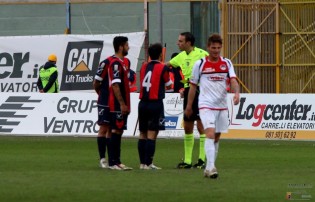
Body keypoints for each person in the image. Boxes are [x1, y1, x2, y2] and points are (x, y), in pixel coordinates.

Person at [185, 34, 240, 178]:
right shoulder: (200, 64)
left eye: (218, 48)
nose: (216, 50)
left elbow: (233, 80)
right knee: (209, 133)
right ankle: (211, 167)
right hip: (206, 105)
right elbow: (192, 86)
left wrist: (237, 93)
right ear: (208, 48)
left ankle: (208, 169)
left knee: (216, 137)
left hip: (221, 106)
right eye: (213, 48)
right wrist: (189, 106)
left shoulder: (227, 63)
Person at [166, 32, 208, 169]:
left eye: (180, 41)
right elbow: (167, 65)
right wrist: (153, 66)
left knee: (202, 127)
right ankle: (188, 161)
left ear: (188, 42)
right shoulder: (181, 56)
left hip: (201, 92)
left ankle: (201, 160)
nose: (178, 43)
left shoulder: (202, 54)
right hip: (188, 91)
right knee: (188, 126)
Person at [93, 36, 132, 171]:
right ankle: (103, 159)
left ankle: (112, 161)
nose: (129, 47)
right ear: (121, 46)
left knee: (112, 129)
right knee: (104, 129)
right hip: (106, 101)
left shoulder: (124, 63)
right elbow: (96, 82)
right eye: (127, 45)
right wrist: (103, 95)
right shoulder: (107, 62)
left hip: (115, 102)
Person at [138, 43, 173, 170]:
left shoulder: (143, 66)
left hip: (142, 103)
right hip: (155, 103)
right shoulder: (162, 67)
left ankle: (142, 163)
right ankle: (149, 163)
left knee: (142, 133)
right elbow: (169, 84)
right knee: (152, 134)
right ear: (160, 54)